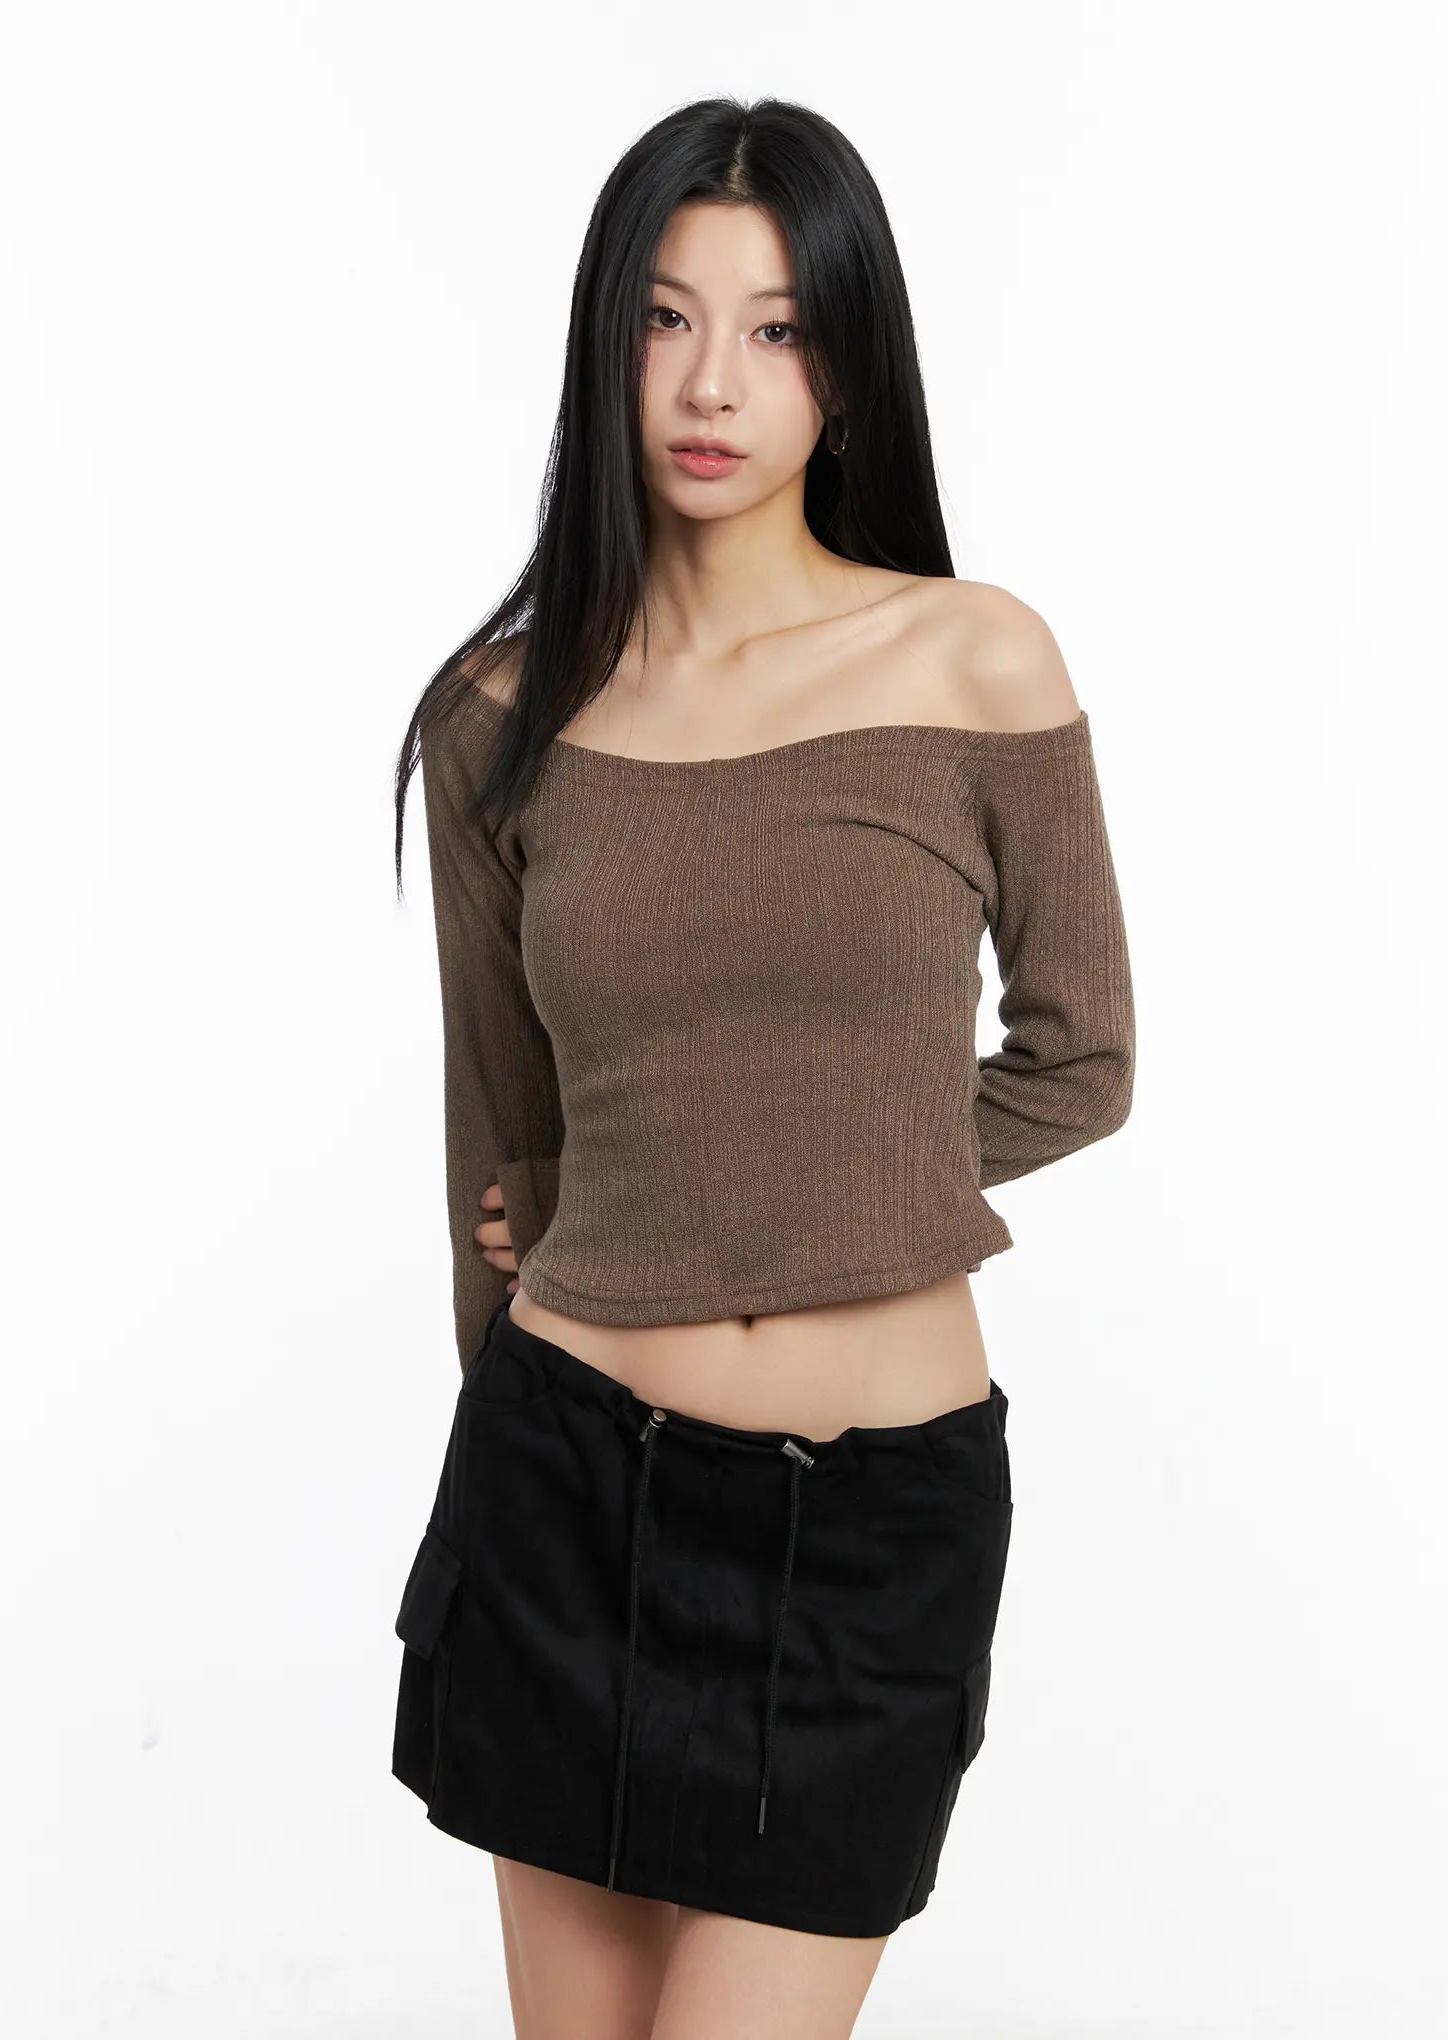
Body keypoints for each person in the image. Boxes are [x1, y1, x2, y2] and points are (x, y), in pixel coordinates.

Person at [388, 95, 1136, 2040]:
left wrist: (778, 1173)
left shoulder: (972, 662)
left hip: (869, 1538)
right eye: (666, 316)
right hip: (561, 1495)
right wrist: (566, 1255)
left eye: (779, 327)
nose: (713, 380)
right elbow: (505, 1151)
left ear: (850, 365)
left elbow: (1081, 1061)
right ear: (604, 343)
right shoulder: (499, 714)